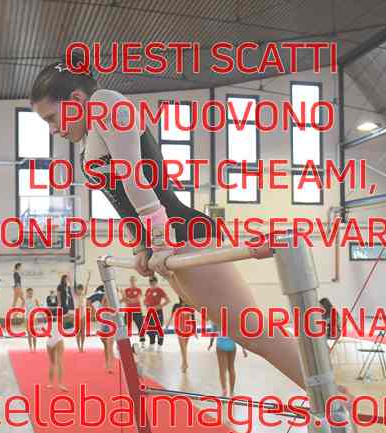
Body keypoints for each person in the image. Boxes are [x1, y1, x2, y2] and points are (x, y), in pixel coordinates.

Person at [29, 61, 334, 391]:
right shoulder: (88, 136)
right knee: (244, 332)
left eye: (51, 118)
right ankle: (331, 399)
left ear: (76, 99)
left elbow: (135, 177)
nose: (53, 130)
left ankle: (334, 399)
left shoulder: (107, 104)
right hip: (167, 241)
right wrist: (141, 246)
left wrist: (159, 241)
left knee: (252, 331)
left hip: (181, 233)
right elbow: (119, 200)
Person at [208, 325, 239, 396]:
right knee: (231, 368)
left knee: (222, 370)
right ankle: (232, 391)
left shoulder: (216, 319)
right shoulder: (232, 319)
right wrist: (243, 348)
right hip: (232, 344)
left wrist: (211, 343)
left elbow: (213, 332)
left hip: (221, 344)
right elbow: (238, 334)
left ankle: (224, 390)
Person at [166, 299, 195, 372]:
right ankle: (185, 363)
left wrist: (194, 330)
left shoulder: (190, 306)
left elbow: (193, 319)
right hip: (179, 328)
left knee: (185, 347)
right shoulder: (176, 306)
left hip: (188, 328)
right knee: (182, 347)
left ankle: (184, 363)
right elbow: (171, 316)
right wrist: (167, 325)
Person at [143, 276, 170, 351]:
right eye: (150, 281)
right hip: (149, 312)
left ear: (156, 282)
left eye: (153, 281)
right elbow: (145, 299)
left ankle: (159, 345)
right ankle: (151, 344)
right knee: (150, 328)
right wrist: (145, 302)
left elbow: (168, 300)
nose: (151, 283)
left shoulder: (159, 290)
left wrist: (159, 306)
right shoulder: (148, 290)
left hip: (158, 312)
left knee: (158, 328)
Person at [46, 311, 67, 391]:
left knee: (52, 363)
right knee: (59, 361)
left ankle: (50, 383)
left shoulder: (48, 320)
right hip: (58, 339)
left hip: (49, 341)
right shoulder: (60, 318)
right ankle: (60, 384)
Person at [122, 276, 145, 348]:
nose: (132, 282)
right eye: (131, 280)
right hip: (128, 311)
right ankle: (124, 342)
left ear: (136, 281)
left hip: (137, 311)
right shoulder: (126, 290)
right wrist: (128, 299)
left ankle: (142, 342)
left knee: (140, 326)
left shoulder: (139, 290)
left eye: (134, 280)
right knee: (124, 326)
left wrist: (128, 299)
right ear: (130, 281)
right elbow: (124, 300)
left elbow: (137, 299)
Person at [25, 288, 41, 352]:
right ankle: (30, 348)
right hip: (27, 318)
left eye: (31, 293)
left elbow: (39, 308)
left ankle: (34, 348)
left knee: (34, 333)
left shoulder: (35, 300)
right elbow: (23, 308)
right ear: (27, 293)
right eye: (29, 293)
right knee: (29, 334)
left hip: (34, 318)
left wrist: (40, 315)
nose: (30, 294)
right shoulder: (25, 300)